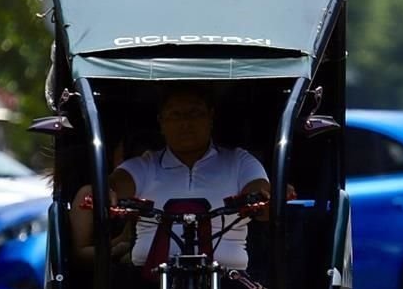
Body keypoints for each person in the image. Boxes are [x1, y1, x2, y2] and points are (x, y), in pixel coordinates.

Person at [70, 87, 271, 274]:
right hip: (149, 286)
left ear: (210, 117)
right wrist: (104, 192)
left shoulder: (239, 161)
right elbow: (112, 185)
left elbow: (260, 191)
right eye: (175, 114)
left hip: (228, 282)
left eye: (194, 113)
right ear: (161, 122)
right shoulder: (144, 165)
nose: (186, 123)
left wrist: (266, 197)